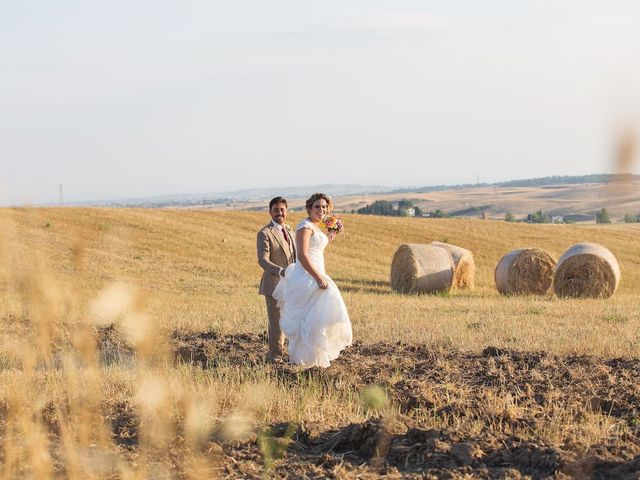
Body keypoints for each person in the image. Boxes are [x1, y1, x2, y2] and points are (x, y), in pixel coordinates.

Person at [272, 193, 352, 368]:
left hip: (318, 272)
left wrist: (331, 233)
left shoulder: (316, 227)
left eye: (324, 207)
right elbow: (302, 255)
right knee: (308, 319)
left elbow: (317, 247)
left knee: (318, 318)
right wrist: (318, 278)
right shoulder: (304, 226)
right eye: (317, 207)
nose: (321, 210)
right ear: (309, 208)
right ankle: (302, 359)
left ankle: (315, 358)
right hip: (308, 277)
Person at [257, 196, 296, 363]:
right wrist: (280, 271)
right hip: (273, 285)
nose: (279, 213)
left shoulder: (290, 230)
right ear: (270, 212)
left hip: (292, 285)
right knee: (276, 323)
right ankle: (275, 357)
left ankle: (292, 353)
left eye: (282, 210)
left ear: (286, 211)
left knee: (292, 319)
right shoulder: (265, 233)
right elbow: (262, 260)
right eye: (276, 210)